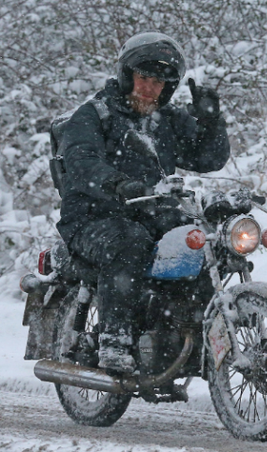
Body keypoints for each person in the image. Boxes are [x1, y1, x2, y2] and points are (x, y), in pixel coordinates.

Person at [56, 32, 230, 373]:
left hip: (151, 211)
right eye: (144, 78)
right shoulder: (94, 114)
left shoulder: (166, 119)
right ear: (126, 75)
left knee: (203, 243)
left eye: (160, 83)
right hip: (92, 216)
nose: (150, 88)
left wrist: (211, 122)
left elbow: (208, 158)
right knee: (128, 241)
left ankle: (191, 335)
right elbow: (81, 160)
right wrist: (117, 183)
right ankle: (114, 341)